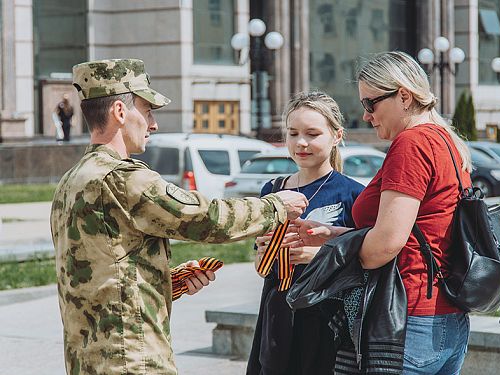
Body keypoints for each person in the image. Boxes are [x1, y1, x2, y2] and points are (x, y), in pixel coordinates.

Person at [50, 58, 308, 375]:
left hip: (87, 359)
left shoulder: (71, 182)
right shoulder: (123, 178)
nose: (153, 124)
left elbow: (92, 275)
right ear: (120, 112)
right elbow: (208, 218)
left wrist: (166, 281)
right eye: (147, 111)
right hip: (132, 360)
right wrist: (276, 206)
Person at [286, 51, 473, 374]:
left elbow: (386, 245)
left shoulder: (412, 143)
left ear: (403, 96)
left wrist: (327, 257)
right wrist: (333, 234)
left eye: (371, 103)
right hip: (445, 318)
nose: (367, 115)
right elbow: (417, 231)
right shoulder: (445, 140)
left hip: (408, 318)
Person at [247, 91, 364, 375]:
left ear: (336, 136)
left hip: (327, 317)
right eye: (293, 133)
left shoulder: (353, 194)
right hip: (278, 314)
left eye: (312, 134)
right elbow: (260, 264)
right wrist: (264, 256)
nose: (301, 143)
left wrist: (317, 256)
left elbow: (367, 262)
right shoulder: (273, 190)